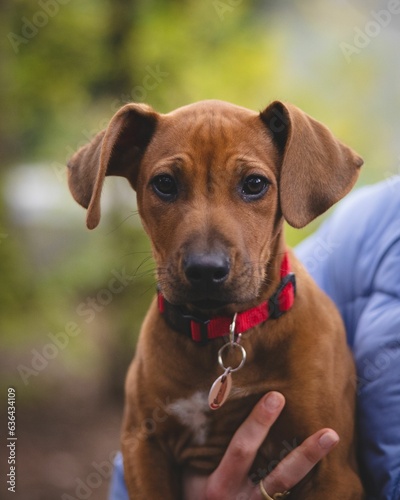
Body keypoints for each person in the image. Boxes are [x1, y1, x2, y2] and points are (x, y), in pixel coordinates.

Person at [110, 177, 400, 499]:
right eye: (166, 185)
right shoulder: (375, 225)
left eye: (253, 185)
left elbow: (335, 483)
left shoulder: (309, 332)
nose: (206, 258)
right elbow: (140, 449)